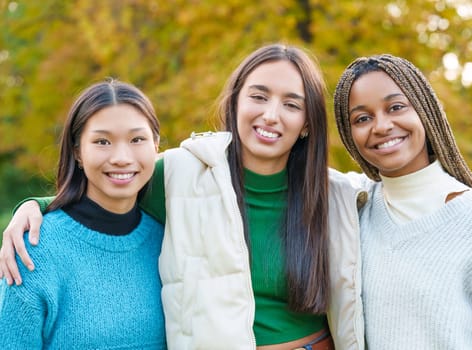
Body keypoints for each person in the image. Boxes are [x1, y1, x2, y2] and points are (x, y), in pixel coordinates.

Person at [0, 44, 366, 349]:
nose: (271, 115)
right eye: (259, 96)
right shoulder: (181, 174)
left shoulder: (337, 196)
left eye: (291, 104)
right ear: (236, 102)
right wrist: (37, 207)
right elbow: (117, 175)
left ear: (307, 123)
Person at [333, 53, 472, 349]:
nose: (381, 126)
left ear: (424, 110)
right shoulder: (356, 209)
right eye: (362, 118)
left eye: (395, 107)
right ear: (349, 134)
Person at [0, 79, 166, 349]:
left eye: (137, 139)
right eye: (102, 141)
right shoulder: (33, 249)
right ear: (78, 152)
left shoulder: (170, 239)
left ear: (156, 145)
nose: (122, 157)